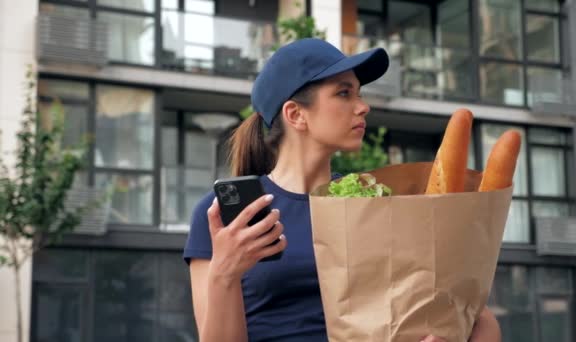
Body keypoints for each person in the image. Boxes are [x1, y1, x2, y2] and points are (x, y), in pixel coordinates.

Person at [183, 38, 501, 342]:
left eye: (359, 93)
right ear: (295, 114)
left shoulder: (372, 201)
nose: (363, 107)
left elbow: (475, 315)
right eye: (344, 93)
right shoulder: (220, 216)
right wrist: (224, 274)